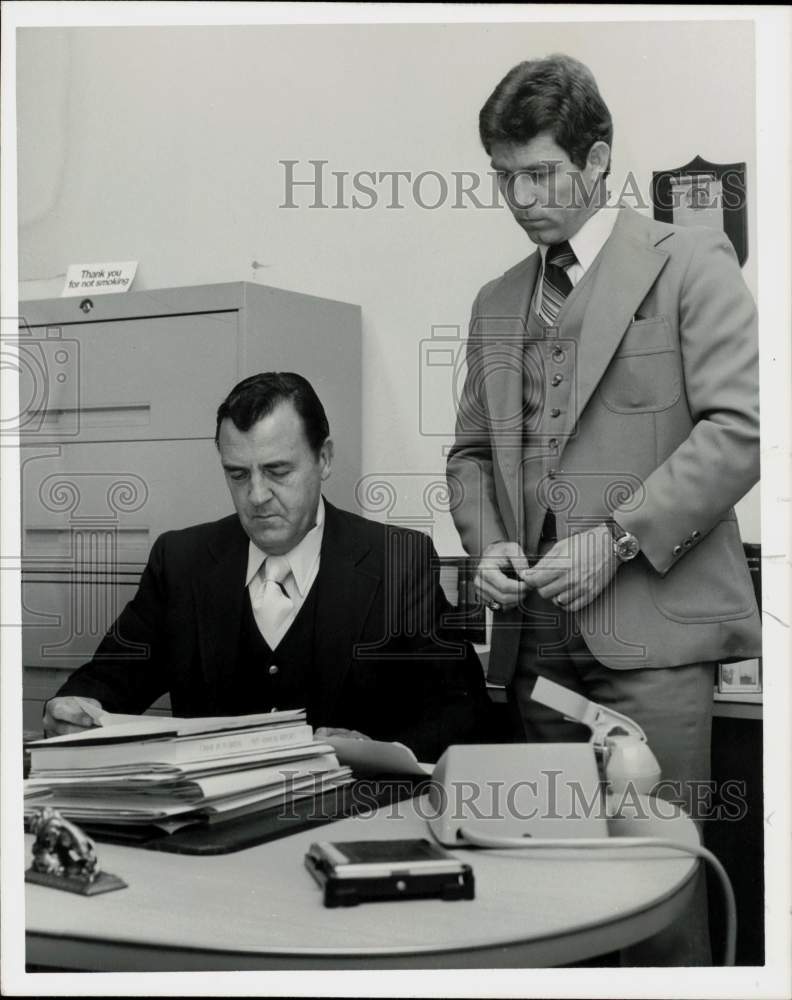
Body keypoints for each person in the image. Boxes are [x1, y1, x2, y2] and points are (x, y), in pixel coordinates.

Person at [446, 54, 760, 964]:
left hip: (652, 645)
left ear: (598, 158)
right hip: (534, 650)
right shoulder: (495, 304)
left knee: (660, 907)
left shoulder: (692, 260)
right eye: (503, 177)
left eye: (539, 172)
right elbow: (468, 455)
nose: (520, 197)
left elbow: (742, 430)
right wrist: (488, 544)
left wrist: (616, 540)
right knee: (556, 908)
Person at [45, 372, 492, 762]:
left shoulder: (400, 560)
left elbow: (461, 712)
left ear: (325, 459)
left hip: (348, 816)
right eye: (238, 475)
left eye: (278, 471)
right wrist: (71, 707)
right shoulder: (181, 561)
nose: (257, 496)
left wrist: (375, 747)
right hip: (212, 834)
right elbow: (109, 677)